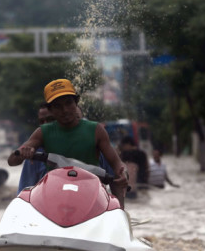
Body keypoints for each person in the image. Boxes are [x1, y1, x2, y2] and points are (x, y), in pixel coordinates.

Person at [8, 78, 129, 207]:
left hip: (92, 194)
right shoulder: (42, 132)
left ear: (76, 102)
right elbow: (12, 161)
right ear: (51, 110)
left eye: (68, 103)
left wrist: (123, 173)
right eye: (57, 106)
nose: (65, 110)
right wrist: (22, 152)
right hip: (55, 195)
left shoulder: (96, 130)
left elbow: (117, 163)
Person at [17, 102, 54, 193]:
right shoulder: (35, 154)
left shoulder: (84, 145)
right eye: (42, 121)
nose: (45, 125)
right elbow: (25, 193)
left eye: (50, 120)